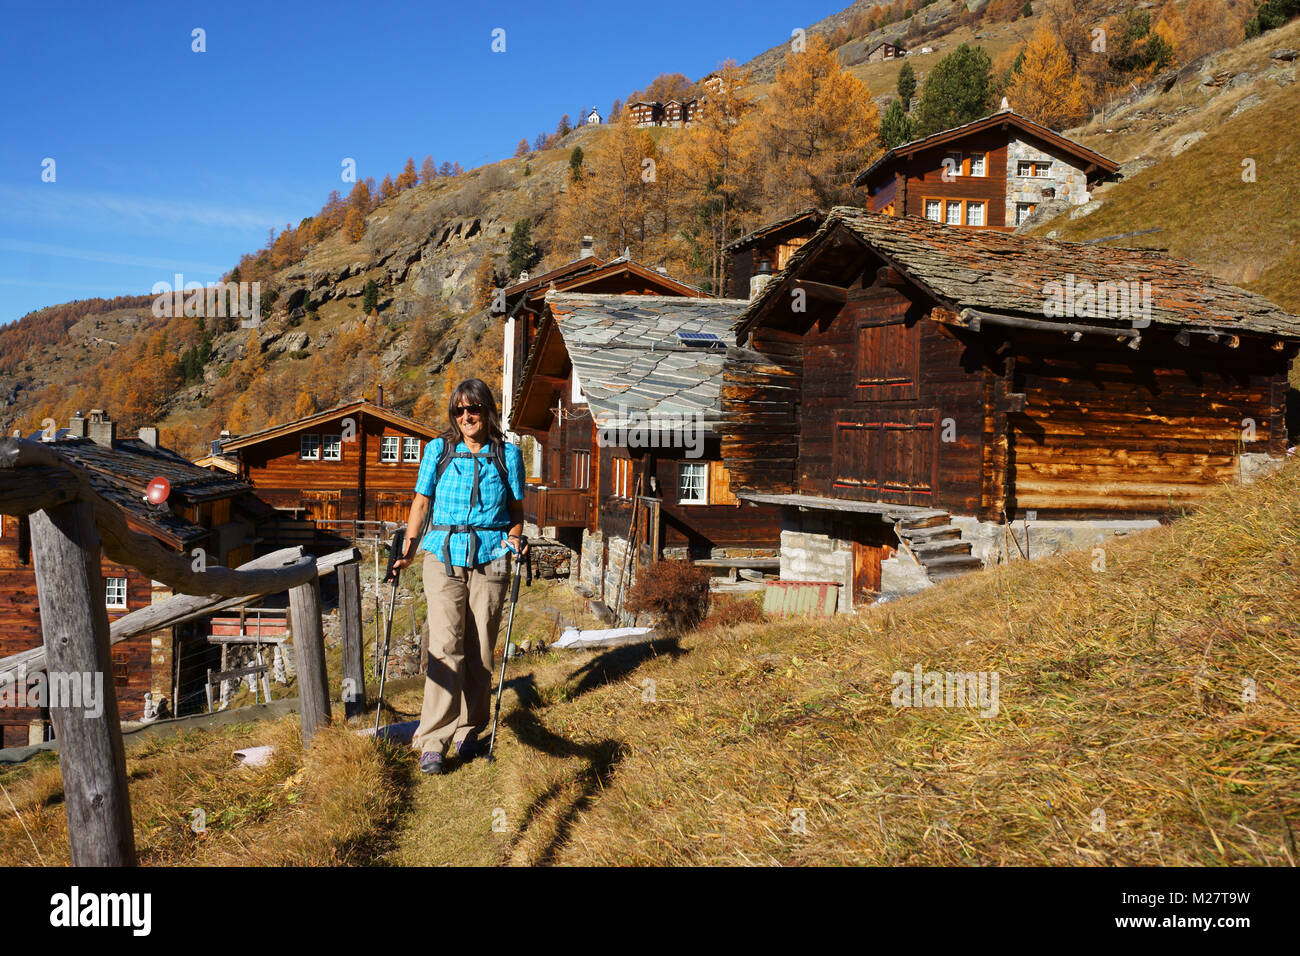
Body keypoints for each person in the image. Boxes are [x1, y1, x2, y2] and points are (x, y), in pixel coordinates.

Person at [391, 378, 528, 775]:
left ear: (487, 411)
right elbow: (421, 503)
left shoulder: (508, 454)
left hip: (491, 555)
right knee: (445, 644)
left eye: (474, 409)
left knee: (481, 647)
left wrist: (514, 540)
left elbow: (516, 511)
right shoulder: (438, 450)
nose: (466, 416)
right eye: (459, 410)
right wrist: (407, 553)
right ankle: (434, 741)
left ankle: (470, 729)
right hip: (443, 553)